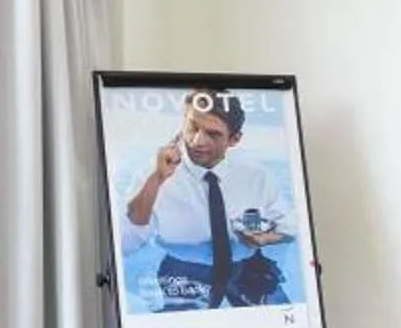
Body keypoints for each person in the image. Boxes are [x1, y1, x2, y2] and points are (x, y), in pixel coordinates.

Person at [121, 88, 294, 310]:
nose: (197, 141)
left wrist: (267, 238)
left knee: (285, 320)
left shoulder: (256, 176)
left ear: (234, 139)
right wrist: (156, 179)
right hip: (183, 270)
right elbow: (127, 240)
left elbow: (291, 224)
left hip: (247, 266)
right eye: (192, 127)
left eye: (213, 134)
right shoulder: (154, 173)